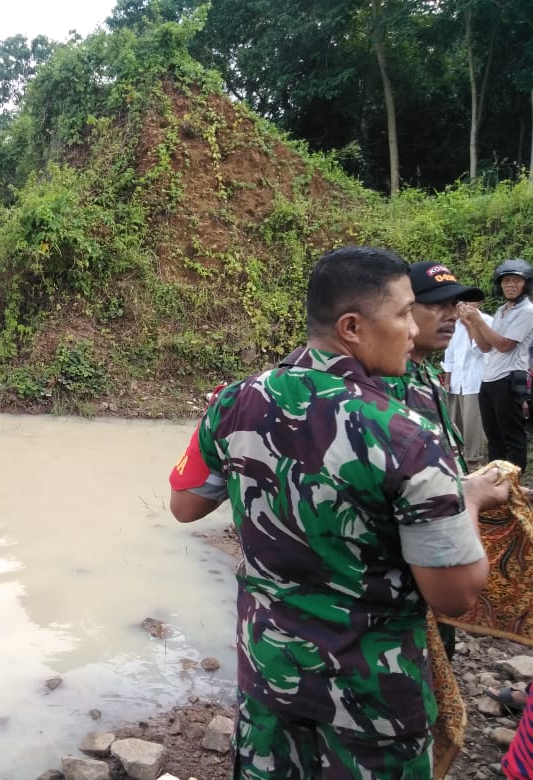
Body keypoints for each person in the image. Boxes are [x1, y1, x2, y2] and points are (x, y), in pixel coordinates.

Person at [169, 245, 508, 779]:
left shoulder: (236, 400)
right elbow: (456, 594)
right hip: (371, 699)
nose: (414, 331)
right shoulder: (409, 438)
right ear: (352, 327)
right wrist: (466, 498)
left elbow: (186, 505)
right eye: (402, 314)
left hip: (269, 674)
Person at [381, 261, 486, 662]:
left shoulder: (423, 373)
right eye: (437, 305)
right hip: (413, 558)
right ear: (405, 309)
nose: (451, 316)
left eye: (455, 305)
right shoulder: (383, 386)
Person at [460, 258, 533, 472]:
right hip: (489, 378)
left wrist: (479, 321)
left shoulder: (527, 312)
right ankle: (495, 483)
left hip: (510, 378)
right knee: (494, 437)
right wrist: (471, 323)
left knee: (512, 436)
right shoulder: (502, 310)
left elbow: (504, 345)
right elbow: (485, 347)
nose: (510, 285)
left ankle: (513, 486)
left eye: (516, 281)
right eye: (506, 281)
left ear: (526, 284)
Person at [442, 300, 493, 467]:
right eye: (463, 302)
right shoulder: (453, 324)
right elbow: (449, 354)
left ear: (478, 303)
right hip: (457, 382)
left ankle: (474, 460)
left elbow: (480, 348)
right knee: (454, 422)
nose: (465, 306)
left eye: (470, 301)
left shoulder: (487, 321)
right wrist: (447, 382)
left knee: (473, 423)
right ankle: (457, 459)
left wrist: (470, 324)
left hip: (475, 381)